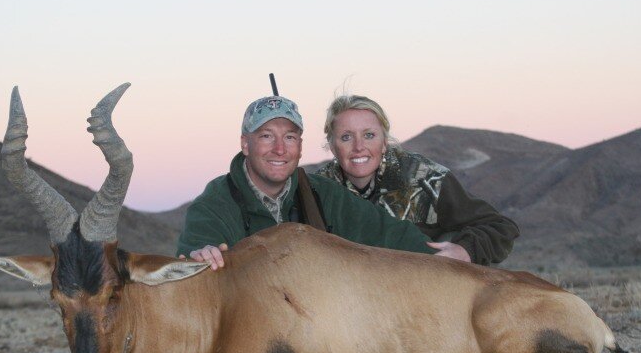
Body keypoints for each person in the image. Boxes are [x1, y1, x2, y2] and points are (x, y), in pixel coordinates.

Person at [176, 95, 463, 268]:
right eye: (266, 136)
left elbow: (389, 234)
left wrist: (443, 260)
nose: (279, 149)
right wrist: (200, 256)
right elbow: (194, 255)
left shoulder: (322, 193)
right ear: (245, 144)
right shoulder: (215, 203)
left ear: (300, 146)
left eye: (289, 137)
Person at [316, 95, 519, 265]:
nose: (359, 146)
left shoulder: (425, 179)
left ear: (385, 142)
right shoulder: (318, 190)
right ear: (332, 146)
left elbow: (500, 227)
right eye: (346, 137)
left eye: (369, 135)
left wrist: (465, 251)